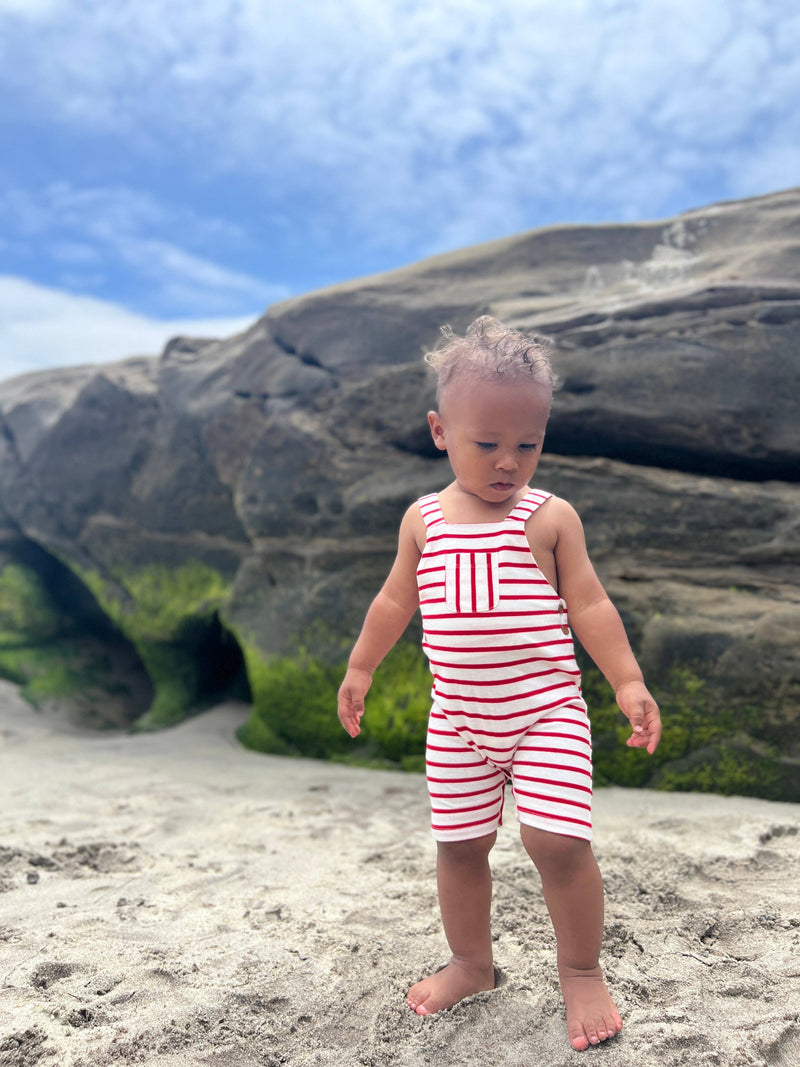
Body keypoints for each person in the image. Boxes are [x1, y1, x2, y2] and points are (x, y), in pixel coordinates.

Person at [337, 316, 661, 1051]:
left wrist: (628, 681)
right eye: (487, 443)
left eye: (528, 444)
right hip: (458, 720)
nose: (508, 462)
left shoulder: (549, 518)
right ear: (440, 430)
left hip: (545, 712)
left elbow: (590, 603)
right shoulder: (422, 521)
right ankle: (472, 962)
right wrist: (361, 667)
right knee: (459, 845)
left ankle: (580, 969)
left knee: (557, 841)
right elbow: (395, 601)